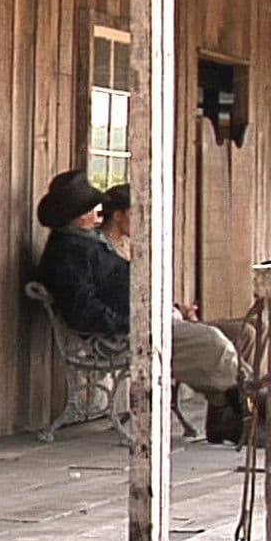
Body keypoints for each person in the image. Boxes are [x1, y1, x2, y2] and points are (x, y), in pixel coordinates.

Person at [34, 170, 246, 440]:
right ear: (80, 214)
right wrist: (136, 322)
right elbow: (84, 312)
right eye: (92, 207)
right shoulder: (68, 253)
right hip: (120, 336)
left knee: (239, 332)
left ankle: (231, 416)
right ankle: (247, 410)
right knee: (213, 342)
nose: (99, 210)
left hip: (143, 320)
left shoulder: (87, 243)